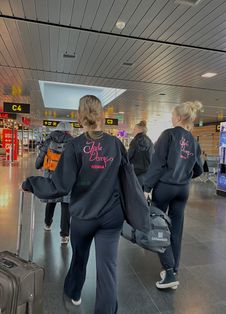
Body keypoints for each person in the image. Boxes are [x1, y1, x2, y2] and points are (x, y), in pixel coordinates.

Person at [22, 95, 125, 314]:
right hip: (111, 216)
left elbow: (59, 186)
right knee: (108, 269)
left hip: (84, 216)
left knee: (80, 256)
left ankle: (74, 292)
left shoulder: (76, 146)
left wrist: (32, 182)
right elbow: (127, 179)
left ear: (80, 116)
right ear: (101, 115)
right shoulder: (116, 144)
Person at [144, 101, 203, 289]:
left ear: (178, 117)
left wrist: (147, 187)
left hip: (165, 188)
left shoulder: (168, 135)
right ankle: (174, 268)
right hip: (183, 190)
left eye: (172, 115)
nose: (171, 118)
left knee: (158, 225)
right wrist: (185, 176)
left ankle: (169, 273)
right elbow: (199, 169)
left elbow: (157, 164)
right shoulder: (193, 140)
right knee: (176, 228)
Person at [35, 121, 73, 245]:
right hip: (66, 178)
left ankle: (47, 223)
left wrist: (38, 165)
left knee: (51, 202)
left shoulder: (48, 141)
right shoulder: (73, 143)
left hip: (51, 176)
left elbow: (40, 158)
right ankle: (64, 235)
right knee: (65, 205)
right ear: (68, 131)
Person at [128, 120, 154, 188]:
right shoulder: (150, 142)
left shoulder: (134, 142)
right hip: (145, 174)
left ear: (139, 130)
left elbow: (128, 157)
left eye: (134, 129)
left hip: (135, 173)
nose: (133, 131)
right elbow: (152, 158)